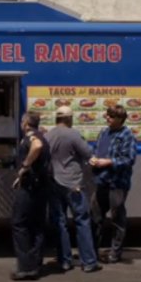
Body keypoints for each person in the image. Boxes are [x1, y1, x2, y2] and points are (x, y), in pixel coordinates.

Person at [46, 106, 101, 273]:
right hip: (73, 184)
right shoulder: (73, 134)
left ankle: (64, 261)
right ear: (69, 119)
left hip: (54, 183)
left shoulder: (48, 135)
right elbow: (87, 153)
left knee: (59, 222)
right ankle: (89, 262)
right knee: (82, 220)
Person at [89, 104, 137, 264]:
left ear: (120, 119)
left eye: (110, 116)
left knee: (117, 218)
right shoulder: (104, 132)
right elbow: (97, 151)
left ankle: (115, 253)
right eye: (107, 115)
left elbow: (129, 159)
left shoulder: (127, 135)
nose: (107, 118)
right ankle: (92, 252)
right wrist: (93, 159)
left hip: (117, 183)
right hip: (101, 181)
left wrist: (108, 162)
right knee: (95, 217)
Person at [10, 111, 51, 281]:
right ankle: (35, 265)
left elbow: (37, 147)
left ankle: (26, 267)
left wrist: (24, 166)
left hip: (30, 188)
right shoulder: (42, 134)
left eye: (22, 121)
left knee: (19, 224)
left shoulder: (32, 136)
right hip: (41, 188)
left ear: (26, 123)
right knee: (37, 226)